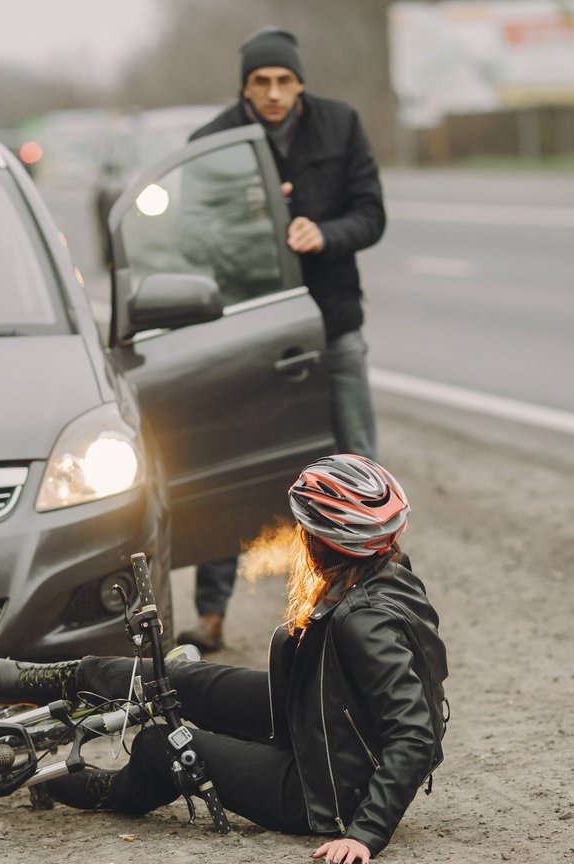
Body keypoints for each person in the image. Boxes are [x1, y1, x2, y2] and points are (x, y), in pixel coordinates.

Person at [0, 455, 448, 864]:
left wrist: (365, 833)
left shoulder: (366, 621)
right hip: (316, 722)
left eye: (305, 529)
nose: (299, 537)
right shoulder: (381, 575)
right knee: (179, 678)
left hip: (323, 790)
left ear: (325, 540)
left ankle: (111, 791)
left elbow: (415, 732)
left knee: (162, 743)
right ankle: (64, 678)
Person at [178, 27, 386, 654]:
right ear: (244, 86)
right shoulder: (210, 143)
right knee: (227, 464)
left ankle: (373, 603)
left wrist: (324, 233)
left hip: (331, 322)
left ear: (300, 83)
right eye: (260, 81)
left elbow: (371, 214)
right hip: (245, 330)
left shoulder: (340, 124)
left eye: (284, 81)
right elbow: (193, 237)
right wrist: (256, 224)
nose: (273, 92)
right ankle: (211, 615)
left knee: (357, 464)